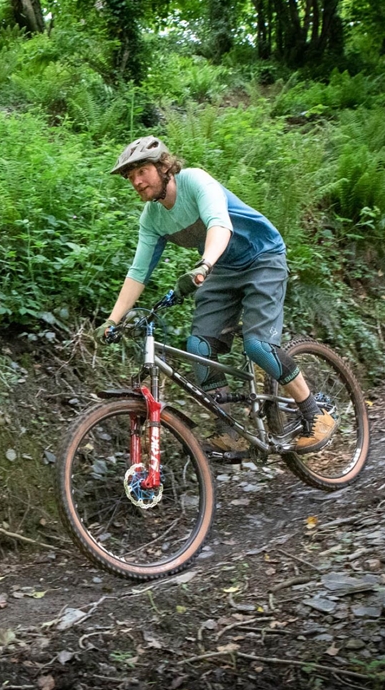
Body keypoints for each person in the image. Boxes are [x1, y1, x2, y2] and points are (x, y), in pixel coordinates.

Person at [97, 136, 336, 454]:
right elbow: (138, 272)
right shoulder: (152, 219)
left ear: (163, 166)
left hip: (261, 257)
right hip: (221, 270)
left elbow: (219, 225)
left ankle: (315, 414)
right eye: (130, 176)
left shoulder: (194, 181)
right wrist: (113, 320)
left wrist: (204, 264)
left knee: (258, 346)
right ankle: (228, 430)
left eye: (141, 170)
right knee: (199, 346)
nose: (136, 181)